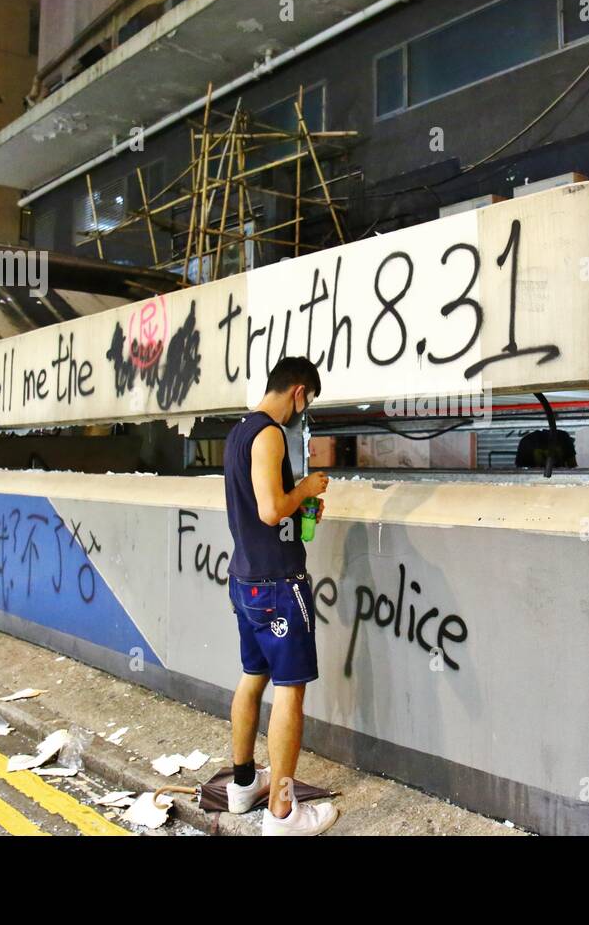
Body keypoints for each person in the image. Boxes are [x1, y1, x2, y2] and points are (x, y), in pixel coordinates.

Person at [222, 356, 336, 836]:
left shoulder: (238, 433)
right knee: (290, 692)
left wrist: (300, 504)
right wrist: (306, 486)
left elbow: (262, 506)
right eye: (305, 402)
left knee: (253, 677)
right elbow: (271, 509)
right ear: (297, 392)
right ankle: (283, 814)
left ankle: (245, 784)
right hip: (279, 585)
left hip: (246, 578)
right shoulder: (269, 433)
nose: (301, 413)